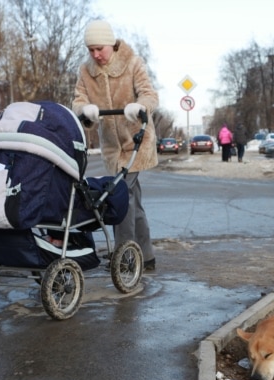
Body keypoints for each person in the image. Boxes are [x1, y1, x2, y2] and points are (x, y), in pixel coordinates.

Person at [72, 20, 159, 271]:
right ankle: (147, 255)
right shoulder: (86, 71)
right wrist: (84, 110)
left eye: (100, 48)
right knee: (133, 200)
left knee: (121, 197)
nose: (96, 54)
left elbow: (150, 95)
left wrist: (139, 107)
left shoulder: (133, 63)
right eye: (91, 50)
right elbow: (78, 99)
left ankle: (125, 258)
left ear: (110, 44)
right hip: (112, 147)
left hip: (136, 142)